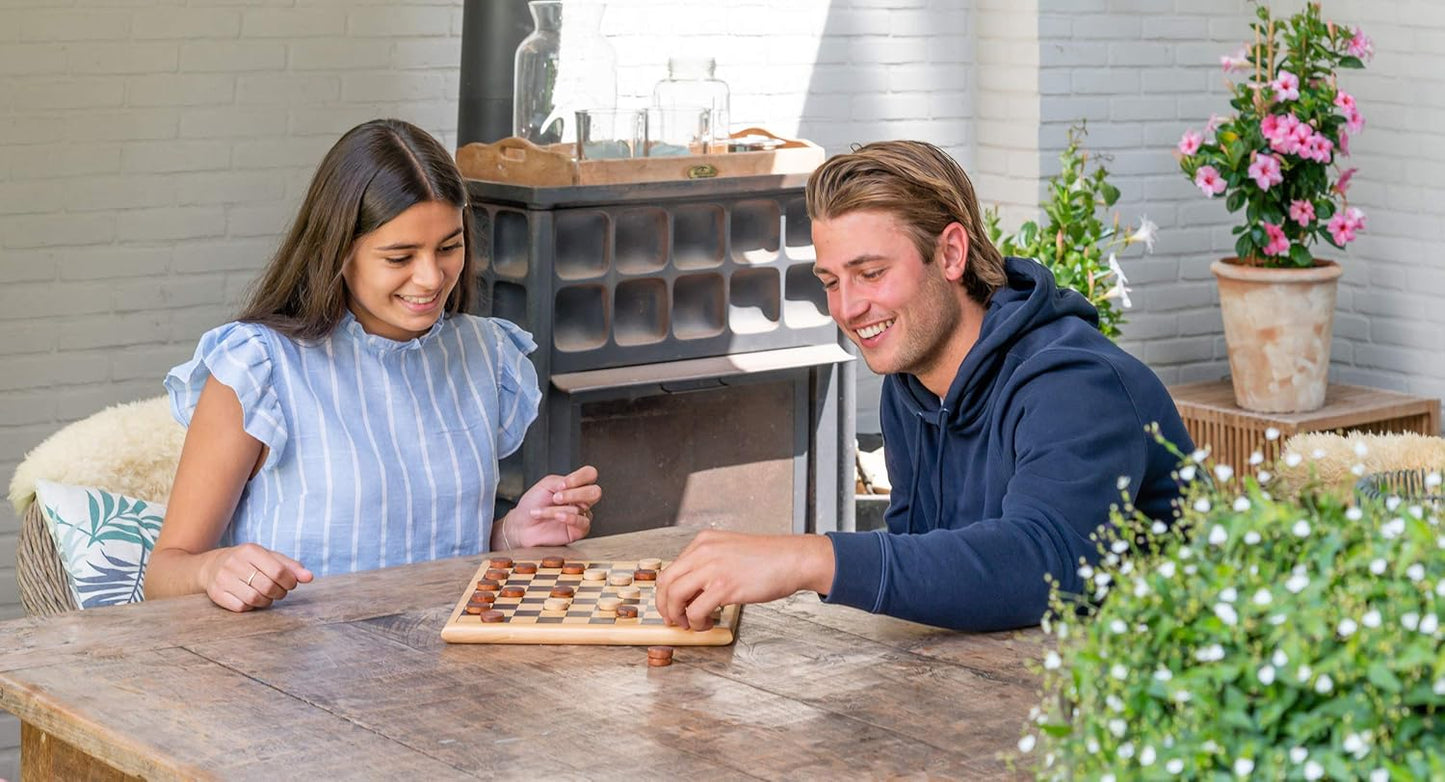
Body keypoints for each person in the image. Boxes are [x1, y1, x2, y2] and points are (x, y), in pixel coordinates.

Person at [655, 140, 1193, 632]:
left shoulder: (1076, 384)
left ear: (952, 254)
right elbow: (927, 557)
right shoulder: (913, 385)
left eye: (870, 273)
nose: (847, 308)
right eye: (830, 282)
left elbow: (1042, 564)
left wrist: (809, 558)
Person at [145, 119, 600, 613]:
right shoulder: (259, 367)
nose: (431, 277)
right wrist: (215, 569)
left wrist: (508, 534)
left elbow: (424, 552)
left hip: (449, 666)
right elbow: (166, 572)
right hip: (288, 676)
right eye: (400, 256)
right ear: (339, 251)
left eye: (448, 247)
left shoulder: (485, 356)